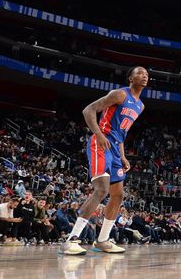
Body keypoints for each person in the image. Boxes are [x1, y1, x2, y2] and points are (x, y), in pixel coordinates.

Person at [61, 66, 148, 255]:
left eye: (147, 74)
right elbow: (88, 110)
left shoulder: (140, 105)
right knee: (102, 189)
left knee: (118, 195)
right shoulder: (119, 94)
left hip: (116, 147)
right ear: (131, 78)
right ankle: (71, 240)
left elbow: (122, 132)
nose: (145, 76)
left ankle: (103, 240)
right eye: (140, 73)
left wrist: (123, 155)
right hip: (101, 143)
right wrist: (99, 134)